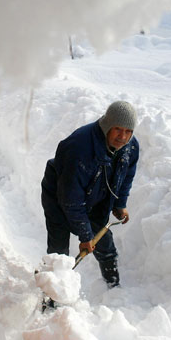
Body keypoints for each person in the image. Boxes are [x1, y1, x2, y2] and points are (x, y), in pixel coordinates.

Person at [41, 101, 139, 288]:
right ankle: (52, 295)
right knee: (58, 251)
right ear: (107, 125)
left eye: (128, 131)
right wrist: (85, 236)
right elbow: (70, 200)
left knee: (104, 240)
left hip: (95, 194)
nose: (123, 137)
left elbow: (126, 176)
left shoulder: (130, 146)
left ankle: (113, 285)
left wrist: (120, 204)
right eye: (118, 129)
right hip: (59, 195)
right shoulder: (79, 148)